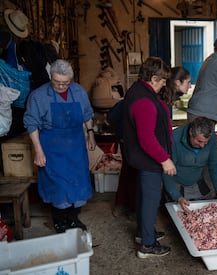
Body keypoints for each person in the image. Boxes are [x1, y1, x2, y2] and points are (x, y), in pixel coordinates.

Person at [23, 59, 96, 233]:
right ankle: (59, 220)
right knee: (58, 187)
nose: (61, 86)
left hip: (76, 147)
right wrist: (38, 151)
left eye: (65, 83)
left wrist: (91, 134)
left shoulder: (78, 92)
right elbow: (31, 124)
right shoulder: (39, 96)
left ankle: (73, 218)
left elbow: (87, 115)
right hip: (52, 148)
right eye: (57, 82)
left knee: (78, 183)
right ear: (51, 77)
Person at [109, 66, 191, 218]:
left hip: (130, 130)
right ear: (177, 82)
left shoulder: (166, 94)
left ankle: (135, 207)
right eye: (188, 82)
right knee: (132, 169)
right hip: (125, 129)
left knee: (136, 170)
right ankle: (126, 206)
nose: (190, 86)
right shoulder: (158, 94)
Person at [122, 56, 176, 258]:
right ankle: (147, 245)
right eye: (162, 80)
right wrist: (165, 159)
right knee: (151, 200)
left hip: (140, 157)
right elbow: (146, 138)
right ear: (153, 78)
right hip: (148, 159)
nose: (164, 84)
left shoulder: (139, 90)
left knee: (144, 197)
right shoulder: (143, 100)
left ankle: (144, 232)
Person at [163, 116, 217, 214]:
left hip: (197, 180)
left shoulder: (212, 138)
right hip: (177, 182)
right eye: (199, 141)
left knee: (208, 212)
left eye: (206, 142)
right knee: (179, 213)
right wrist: (177, 196)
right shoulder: (174, 139)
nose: (202, 146)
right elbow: (166, 172)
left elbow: (214, 164)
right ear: (190, 132)